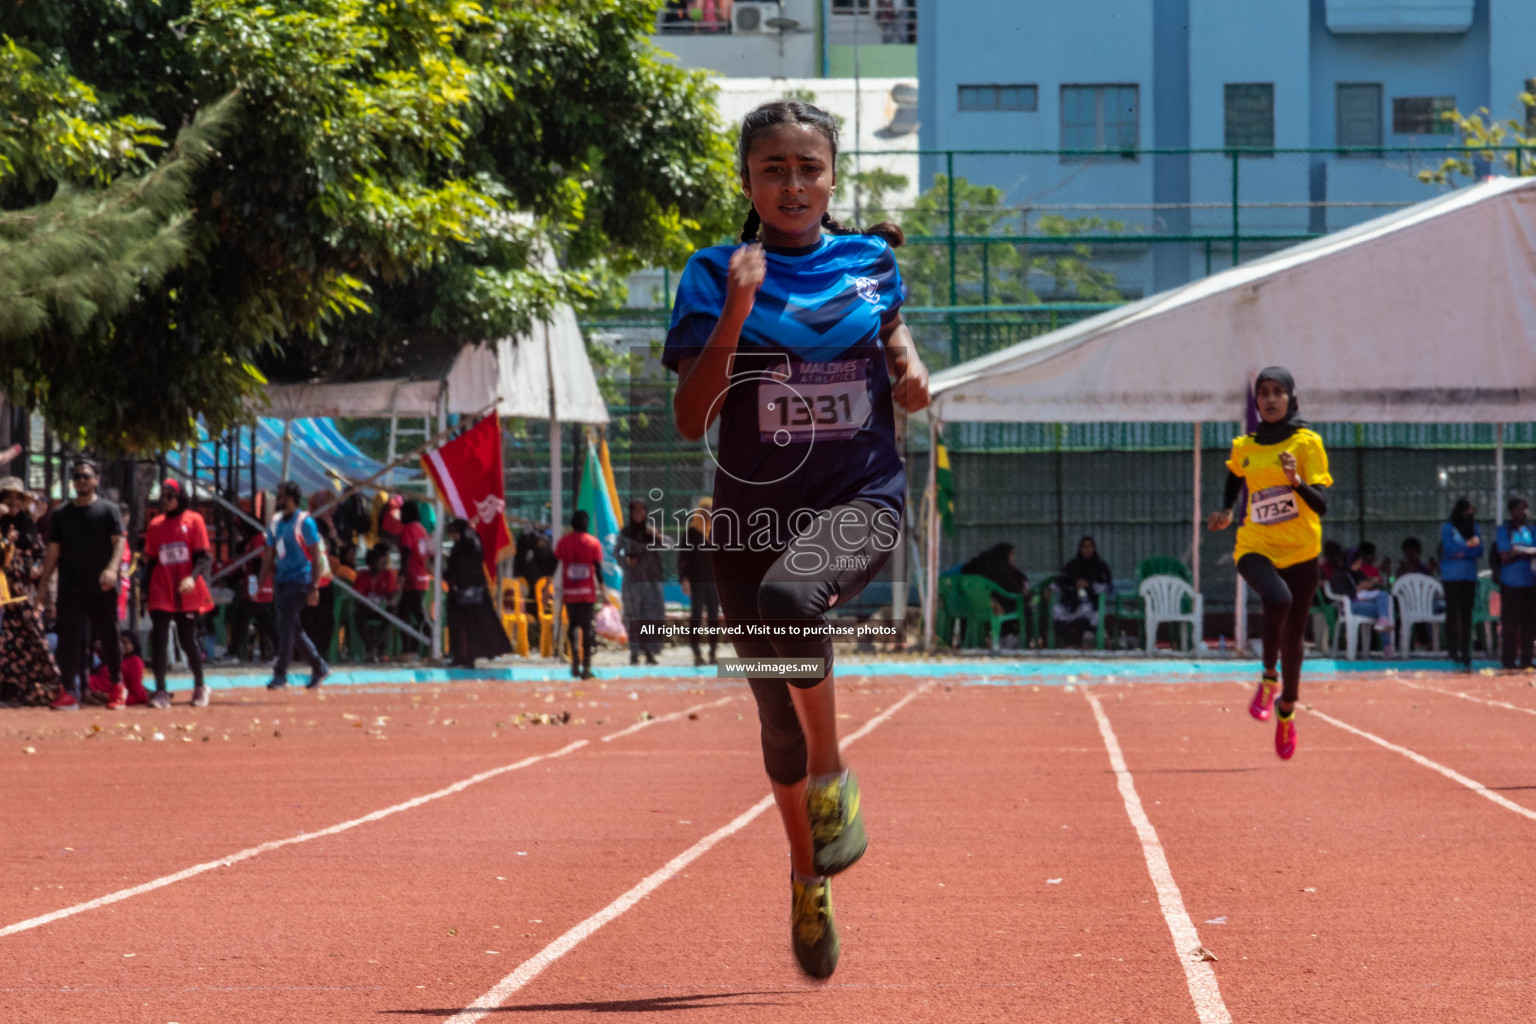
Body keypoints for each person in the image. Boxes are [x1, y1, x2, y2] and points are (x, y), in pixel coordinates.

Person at [664, 100, 929, 979]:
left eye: (807, 167)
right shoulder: (711, 273)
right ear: (746, 181)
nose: (792, 183)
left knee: (793, 598)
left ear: (831, 177)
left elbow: (890, 329)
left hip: (861, 495)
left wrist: (910, 363)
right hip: (747, 520)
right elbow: (687, 416)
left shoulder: (870, 262)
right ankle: (807, 876)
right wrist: (737, 312)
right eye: (772, 168)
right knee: (774, 718)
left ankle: (834, 775)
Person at [1207, 367, 1332, 760]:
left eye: (1278, 392)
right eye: (1264, 392)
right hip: (1255, 542)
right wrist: (1227, 510)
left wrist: (1296, 481)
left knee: (1295, 642)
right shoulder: (1245, 444)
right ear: (1256, 400)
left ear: (1291, 397)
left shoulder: (1307, 442)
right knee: (1277, 599)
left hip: (1301, 550)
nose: (1271, 399)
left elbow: (1322, 505)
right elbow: (1234, 475)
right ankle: (1267, 679)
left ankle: (1286, 710)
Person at [38, 459, 126, 711]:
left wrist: (111, 569)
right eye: (76, 477)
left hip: (102, 585)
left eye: (86, 476)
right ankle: (69, 692)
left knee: (109, 636)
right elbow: (53, 553)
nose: (81, 481)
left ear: (96, 479)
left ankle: (117, 686)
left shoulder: (109, 510)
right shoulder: (61, 514)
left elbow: (119, 542)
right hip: (71, 585)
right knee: (70, 639)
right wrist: (44, 589)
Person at [142, 479, 214, 708]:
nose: (164, 500)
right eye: (161, 496)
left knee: (187, 639)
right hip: (162, 587)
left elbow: (204, 557)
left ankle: (200, 685)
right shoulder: (155, 525)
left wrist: (192, 578)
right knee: (159, 638)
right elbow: (152, 560)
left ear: (180, 496)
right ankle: (161, 690)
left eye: (169, 496)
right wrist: (144, 590)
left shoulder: (194, 521)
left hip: (186, 588)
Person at [260, 480, 330, 690]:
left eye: (279, 496)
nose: (276, 499)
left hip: (300, 580)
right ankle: (319, 666)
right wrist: (260, 582)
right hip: (281, 580)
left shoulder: (305, 522)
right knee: (292, 627)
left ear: (289, 499)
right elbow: (269, 556)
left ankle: (280, 674)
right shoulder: (275, 523)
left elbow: (316, 555)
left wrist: (315, 586)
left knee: (286, 627)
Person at [444, 519, 513, 669]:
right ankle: (460, 656)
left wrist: (470, 532)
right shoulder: (457, 550)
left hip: (473, 594)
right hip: (458, 594)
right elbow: (452, 571)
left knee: (474, 626)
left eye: (456, 532)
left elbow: (475, 552)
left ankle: (469, 657)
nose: (453, 536)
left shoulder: (471, 546)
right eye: (452, 533)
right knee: (458, 626)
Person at [554, 510, 606, 680]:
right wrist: (603, 592)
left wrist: (548, 584)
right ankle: (587, 666)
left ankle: (575, 659)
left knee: (573, 625)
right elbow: (597, 570)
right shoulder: (593, 543)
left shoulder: (563, 542)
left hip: (570, 593)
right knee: (587, 628)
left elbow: (554, 563)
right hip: (586, 594)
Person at [617, 498, 666, 666]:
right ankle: (635, 652)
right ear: (631, 513)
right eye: (636, 511)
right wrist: (626, 561)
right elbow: (616, 552)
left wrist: (658, 536)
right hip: (633, 583)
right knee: (634, 617)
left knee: (652, 617)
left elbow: (670, 546)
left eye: (642, 510)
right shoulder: (625, 533)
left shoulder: (651, 532)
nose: (640, 514)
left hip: (652, 582)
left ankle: (650, 652)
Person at [382, 499, 433, 658]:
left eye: (402, 513)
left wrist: (402, 576)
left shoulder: (407, 530)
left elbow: (406, 552)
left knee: (408, 614)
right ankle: (415, 647)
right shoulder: (422, 530)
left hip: (411, 578)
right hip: (422, 577)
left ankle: (415, 647)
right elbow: (427, 554)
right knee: (412, 613)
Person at [677, 496, 722, 666]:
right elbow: (683, 557)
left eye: (711, 510)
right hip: (696, 581)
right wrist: (684, 579)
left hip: (714, 582)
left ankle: (712, 652)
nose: (709, 514)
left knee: (713, 617)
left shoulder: (718, 531)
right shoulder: (692, 532)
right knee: (696, 615)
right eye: (705, 510)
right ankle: (696, 652)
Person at [1440, 498, 1482, 671]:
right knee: (1452, 613)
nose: (1469, 515)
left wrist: (1462, 550)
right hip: (1451, 577)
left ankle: (1466, 651)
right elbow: (1449, 550)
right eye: (1467, 511)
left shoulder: (1475, 528)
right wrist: (1468, 547)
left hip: (1469, 576)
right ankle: (1452, 650)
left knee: (1466, 615)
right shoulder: (1447, 528)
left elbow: (1479, 550)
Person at [1494, 496, 1536, 672]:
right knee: (1510, 623)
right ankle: (1509, 660)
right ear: (1511, 511)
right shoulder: (1504, 530)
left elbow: (1516, 552)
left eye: (1525, 509)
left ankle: (1527, 659)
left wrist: (1518, 551)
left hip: (1530, 582)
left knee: (1530, 623)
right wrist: (1526, 552)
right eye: (1519, 509)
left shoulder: (1531, 530)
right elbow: (1505, 555)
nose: (1523, 512)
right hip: (1510, 583)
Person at [301, 492, 343, 663]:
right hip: (312, 577)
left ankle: (318, 652)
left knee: (323, 618)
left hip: (323, 577)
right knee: (309, 617)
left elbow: (333, 549)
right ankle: (311, 652)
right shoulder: (311, 523)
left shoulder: (330, 525)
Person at [961, 542, 1029, 646]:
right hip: (996, 607)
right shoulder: (1001, 570)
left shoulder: (976, 566)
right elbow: (1015, 590)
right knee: (1027, 608)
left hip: (974, 607)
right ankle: (1023, 642)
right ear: (1005, 554)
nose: (1014, 557)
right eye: (1012, 554)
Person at [225, 525, 276, 662]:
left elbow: (257, 564)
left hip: (257, 592)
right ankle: (281, 652)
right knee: (267, 623)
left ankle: (232, 653)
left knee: (242, 622)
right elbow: (246, 568)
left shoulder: (257, 540)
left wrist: (254, 588)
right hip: (257, 591)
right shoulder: (252, 542)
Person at [1052, 536, 1112, 649]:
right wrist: (1074, 584)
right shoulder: (1072, 565)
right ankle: (1069, 643)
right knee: (1057, 610)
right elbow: (1061, 581)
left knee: (1085, 611)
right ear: (1080, 549)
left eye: (1089, 546)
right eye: (1083, 546)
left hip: (1091, 603)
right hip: (1070, 602)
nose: (1086, 549)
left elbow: (1107, 586)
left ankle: (1078, 643)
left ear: (1094, 548)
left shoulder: (1100, 566)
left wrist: (1089, 585)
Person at [1, 476, 44, 605]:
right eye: (8, 497)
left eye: (18, 497)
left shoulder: (27, 523)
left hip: (25, 590)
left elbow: (40, 552)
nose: (13, 502)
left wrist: (36, 567)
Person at [353, 544, 399, 661]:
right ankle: (370, 648)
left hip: (382, 609)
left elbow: (392, 593)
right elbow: (358, 596)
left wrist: (389, 600)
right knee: (358, 614)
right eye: (380, 564)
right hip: (367, 609)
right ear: (371, 564)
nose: (383, 567)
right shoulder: (363, 576)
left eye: (384, 564)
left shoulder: (387, 575)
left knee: (392, 612)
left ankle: (378, 648)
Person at [87, 632, 148, 706]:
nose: (122, 646)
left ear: (134, 646)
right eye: (119, 642)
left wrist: (110, 697)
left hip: (108, 694)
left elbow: (138, 695)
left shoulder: (134, 661)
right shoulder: (110, 659)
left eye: (125, 643)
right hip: (90, 687)